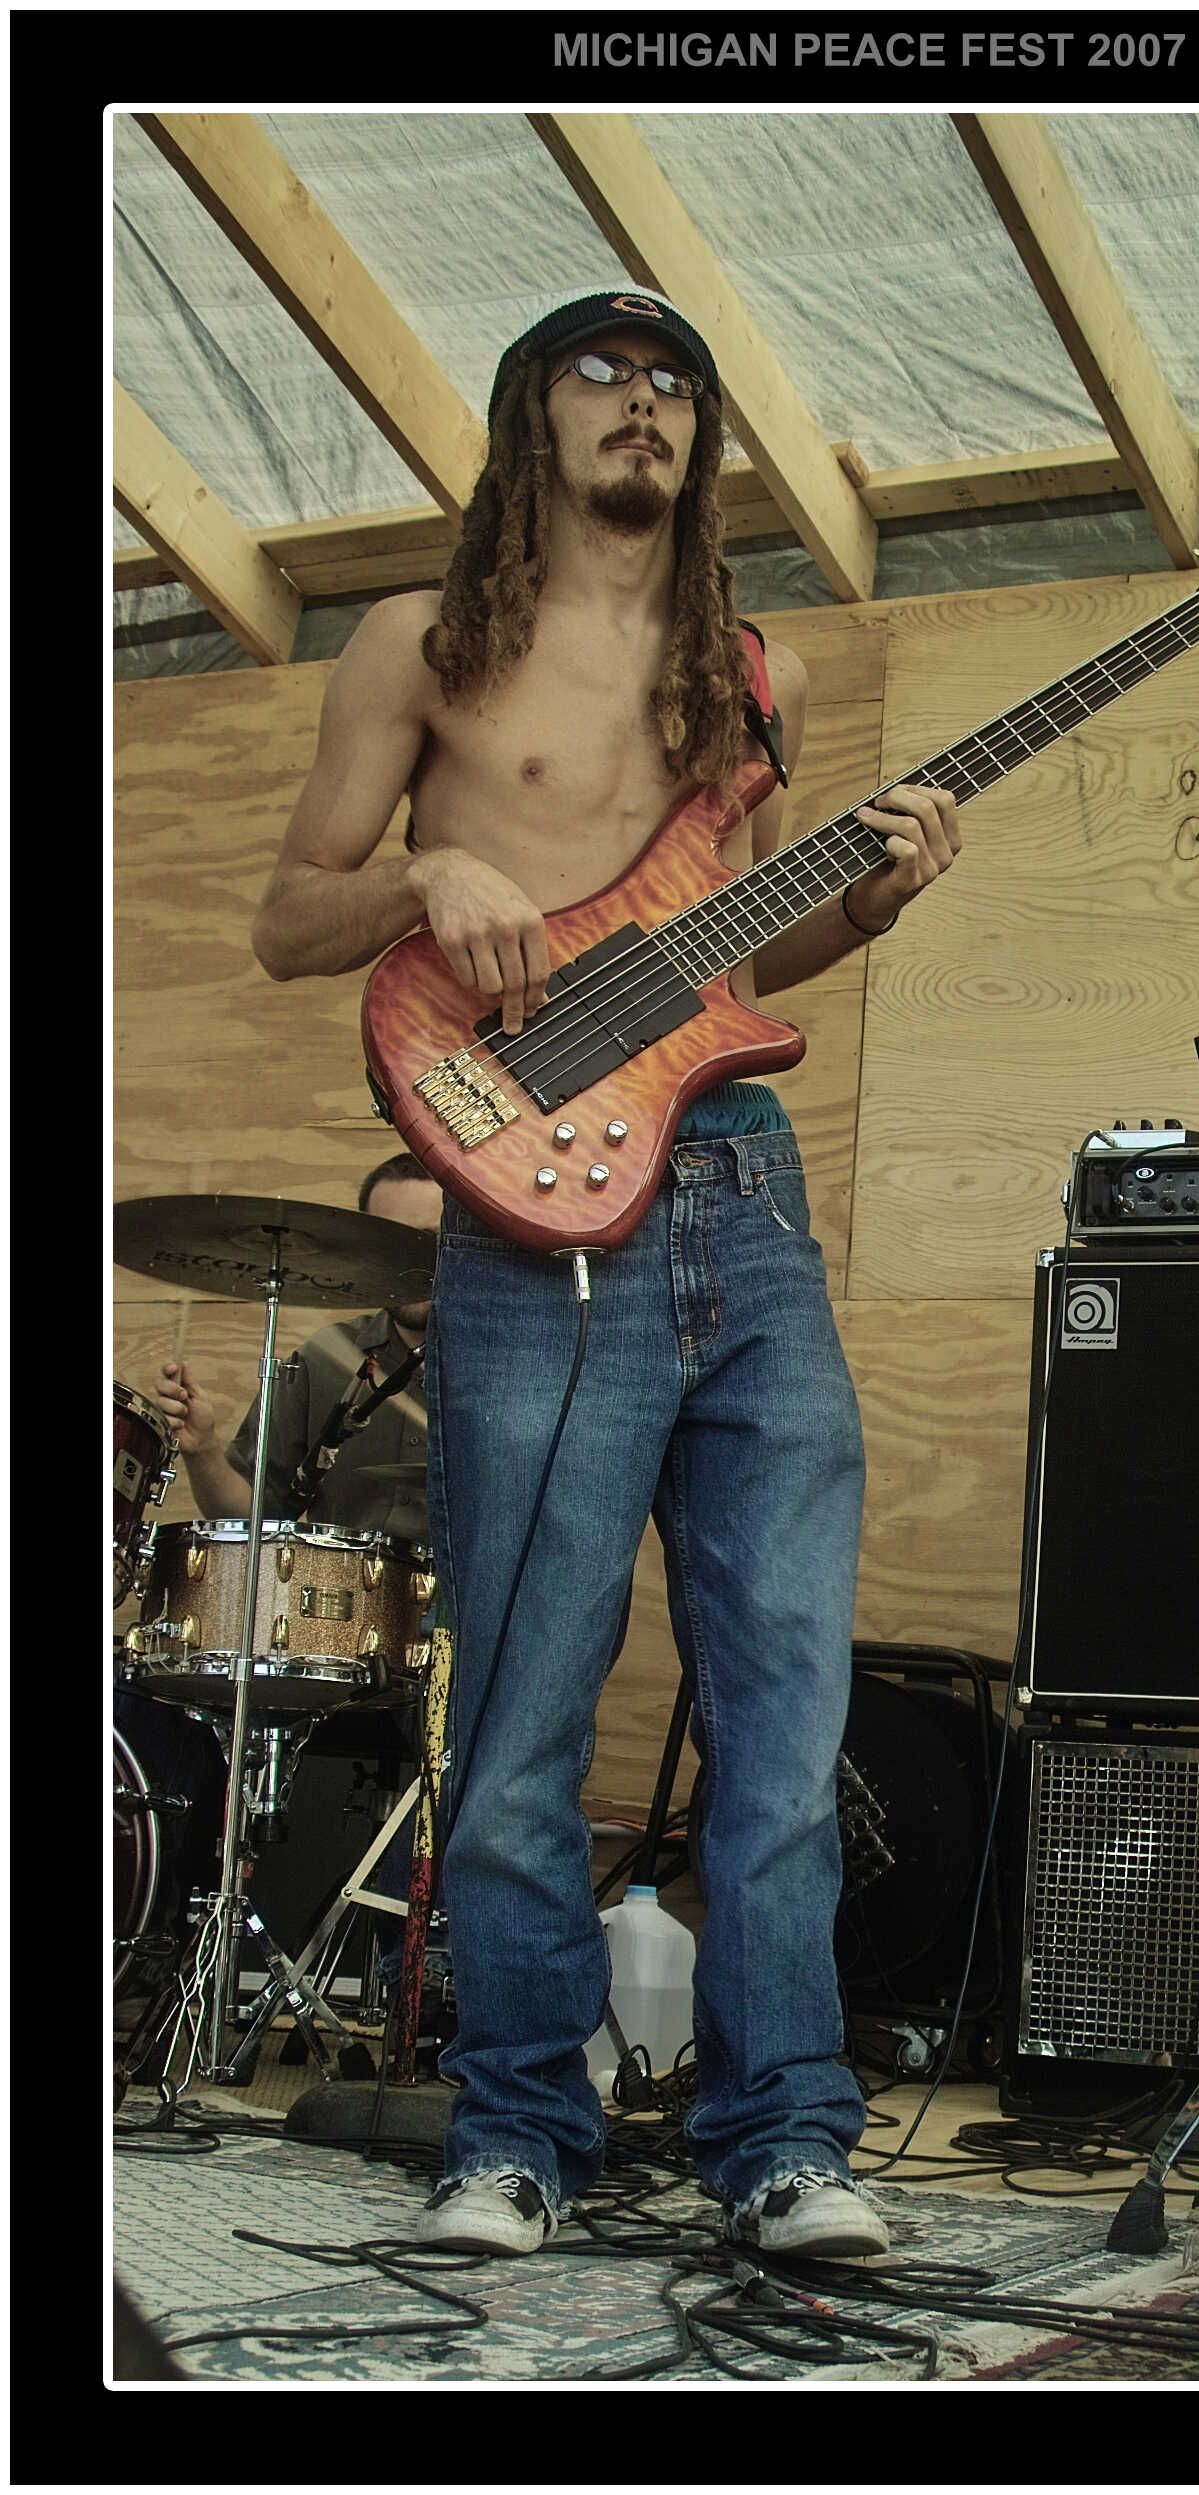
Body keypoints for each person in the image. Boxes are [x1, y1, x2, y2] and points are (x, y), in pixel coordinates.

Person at [247, 289, 962, 2261]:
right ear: (528, 414)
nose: (641, 404)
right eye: (600, 373)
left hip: (742, 1200)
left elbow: (724, 965)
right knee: (522, 1718)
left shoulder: (751, 671)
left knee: (785, 1716)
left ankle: (785, 2137)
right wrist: (425, 874)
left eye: (673, 384)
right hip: (529, 1231)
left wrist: (866, 900)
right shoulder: (417, 644)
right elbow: (286, 918)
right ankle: (513, 2132)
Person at [155, 1154, 441, 1546]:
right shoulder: (325, 1359)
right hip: (343, 1587)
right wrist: (203, 1450)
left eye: (429, 1241)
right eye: (393, 1242)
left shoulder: (515, 1369)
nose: (411, 1261)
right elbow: (251, 1518)